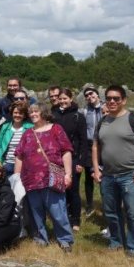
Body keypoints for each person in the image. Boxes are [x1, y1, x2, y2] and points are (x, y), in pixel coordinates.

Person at [92, 85, 134, 257]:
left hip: (130, 175)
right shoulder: (102, 121)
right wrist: (96, 169)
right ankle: (116, 242)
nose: (112, 101)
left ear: (123, 100)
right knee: (111, 212)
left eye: (116, 98)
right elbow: (95, 146)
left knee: (133, 213)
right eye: (109, 98)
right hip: (108, 175)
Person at [15, 103, 74, 252]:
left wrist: (68, 174)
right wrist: (16, 176)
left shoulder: (56, 129)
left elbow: (66, 151)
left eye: (36, 111)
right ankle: (41, 238)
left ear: (44, 113)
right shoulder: (27, 133)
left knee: (58, 211)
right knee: (36, 213)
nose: (33, 114)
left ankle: (65, 240)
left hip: (52, 178)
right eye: (31, 112)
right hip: (30, 180)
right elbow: (19, 156)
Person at [53, 88, 88, 231]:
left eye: (65, 98)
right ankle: (64, 216)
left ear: (71, 98)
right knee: (59, 189)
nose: (62, 101)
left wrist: (81, 162)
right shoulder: (54, 115)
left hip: (73, 158)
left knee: (73, 189)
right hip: (56, 158)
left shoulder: (78, 116)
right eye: (60, 99)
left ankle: (76, 220)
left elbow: (83, 141)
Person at [81, 86, 104, 216]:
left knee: (104, 174)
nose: (90, 96)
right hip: (90, 145)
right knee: (89, 176)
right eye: (87, 96)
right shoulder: (85, 110)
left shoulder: (106, 107)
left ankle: (105, 204)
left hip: (105, 144)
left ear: (97, 94)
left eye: (91, 94)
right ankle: (89, 204)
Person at [0, 102, 33, 173]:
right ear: (12, 113)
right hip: (7, 165)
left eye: (20, 113)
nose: (17, 115)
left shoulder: (30, 128)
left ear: (24, 115)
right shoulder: (5, 127)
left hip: (23, 165)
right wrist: (1, 161)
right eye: (15, 113)